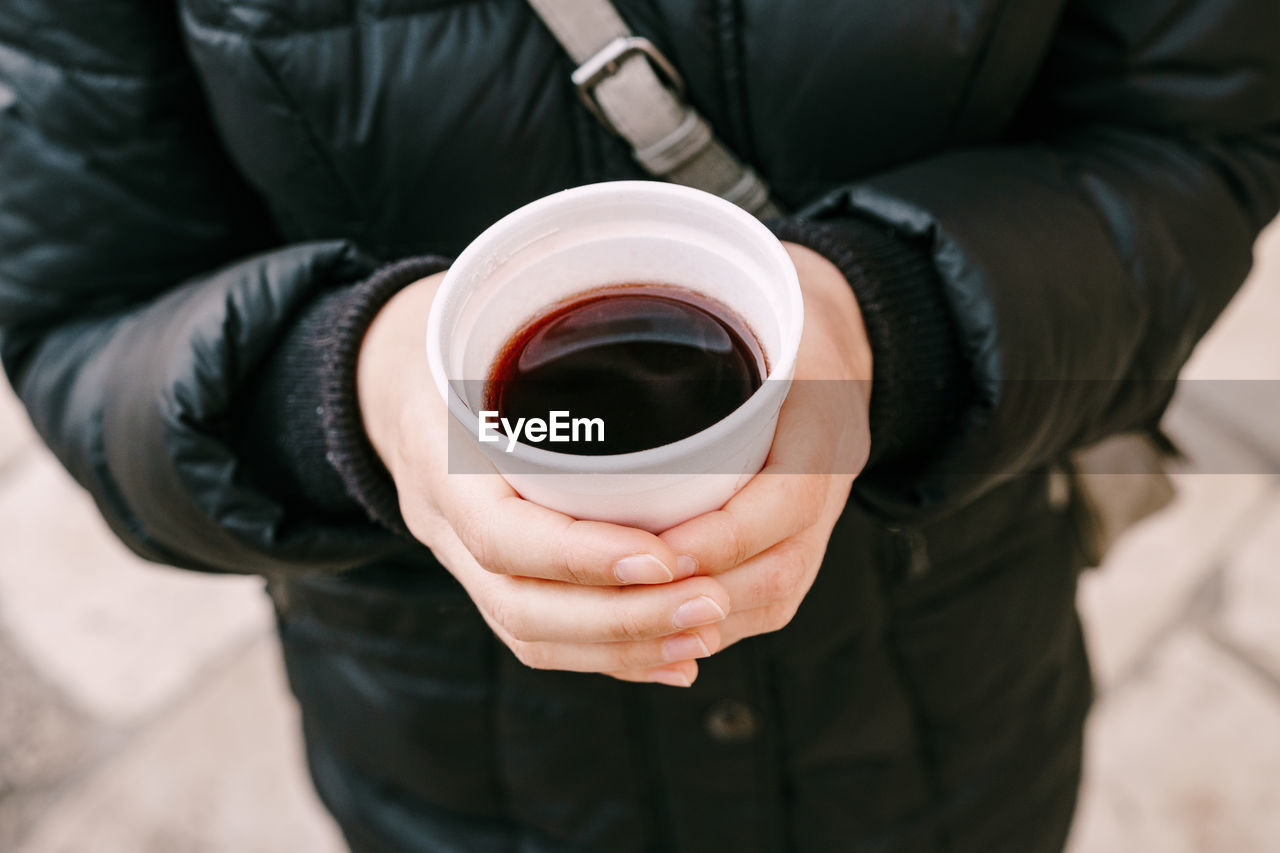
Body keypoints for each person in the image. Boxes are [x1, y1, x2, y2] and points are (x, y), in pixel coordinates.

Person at [2, 1, 1277, 851]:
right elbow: (84, 317)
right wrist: (356, 393)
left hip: (948, 697)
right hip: (456, 751)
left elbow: (1193, 141)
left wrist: (892, 322)